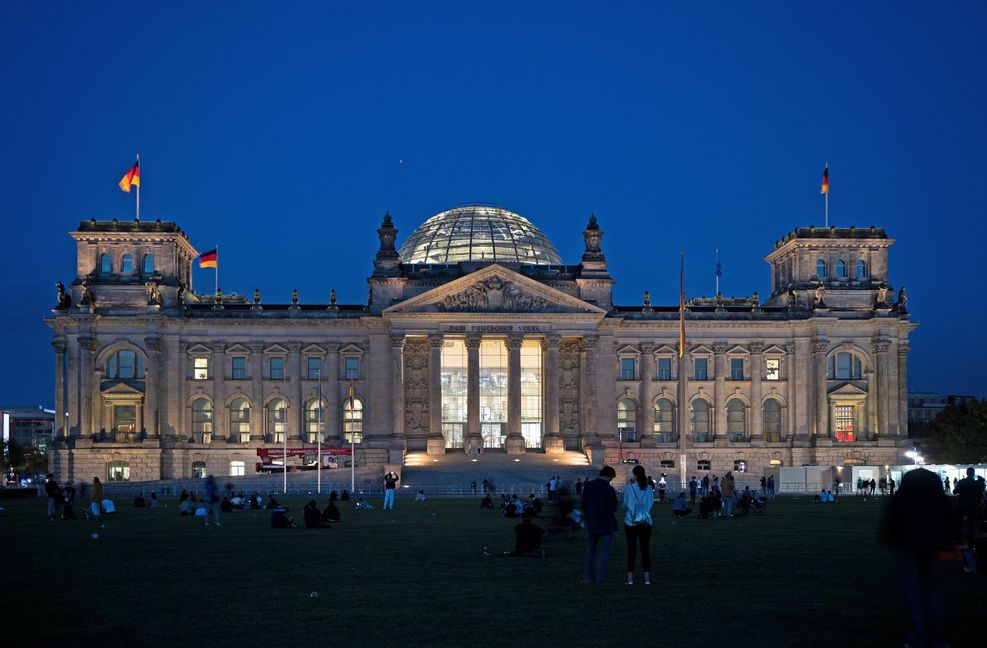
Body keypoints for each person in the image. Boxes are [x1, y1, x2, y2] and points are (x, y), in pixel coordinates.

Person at [882, 467, 952, 648]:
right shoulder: (940, 500)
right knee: (935, 594)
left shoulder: (900, 500)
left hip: (909, 550)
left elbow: (891, 525)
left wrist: (894, 542)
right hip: (935, 550)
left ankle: (917, 639)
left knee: (915, 594)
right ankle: (940, 640)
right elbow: (951, 523)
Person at [581, 465, 618, 584]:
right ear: (611, 476)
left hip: (592, 521)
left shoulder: (588, 486)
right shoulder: (609, 489)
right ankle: (600, 578)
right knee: (604, 551)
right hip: (606, 522)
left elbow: (583, 504)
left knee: (591, 549)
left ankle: (588, 577)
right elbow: (613, 508)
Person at [623, 465, 653, 586]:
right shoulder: (649, 488)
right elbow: (651, 504)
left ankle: (630, 579)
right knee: (645, 549)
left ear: (634, 475)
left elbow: (625, 504)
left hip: (631, 522)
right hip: (646, 522)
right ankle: (647, 579)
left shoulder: (629, 487)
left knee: (632, 551)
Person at [953, 467, 981, 572]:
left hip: (962, 505)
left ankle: (958, 538)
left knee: (958, 522)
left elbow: (955, 491)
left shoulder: (962, 482)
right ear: (973, 474)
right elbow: (979, 495)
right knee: (970, 524)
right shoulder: (976, 483)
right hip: (972, 506)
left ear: (966, 473)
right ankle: (970, 541)